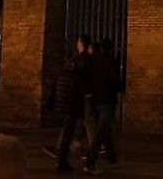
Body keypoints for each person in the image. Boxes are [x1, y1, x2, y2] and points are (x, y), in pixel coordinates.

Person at [45, 35, 91, 173]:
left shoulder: (69, 69)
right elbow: (84, 86)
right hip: (73, 103)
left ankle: (63, 156)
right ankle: (62, 160)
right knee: (71, 130)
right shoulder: (83, 64)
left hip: (67, 103)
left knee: (69, 129)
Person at [84, 38, 123, 173]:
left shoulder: (93, 62)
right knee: (101, 132)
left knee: (106, 130)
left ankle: (112, 158)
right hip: (108, 101)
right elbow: (115, 82)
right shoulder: (110, 62)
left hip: (96, 100)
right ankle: (90, 163)